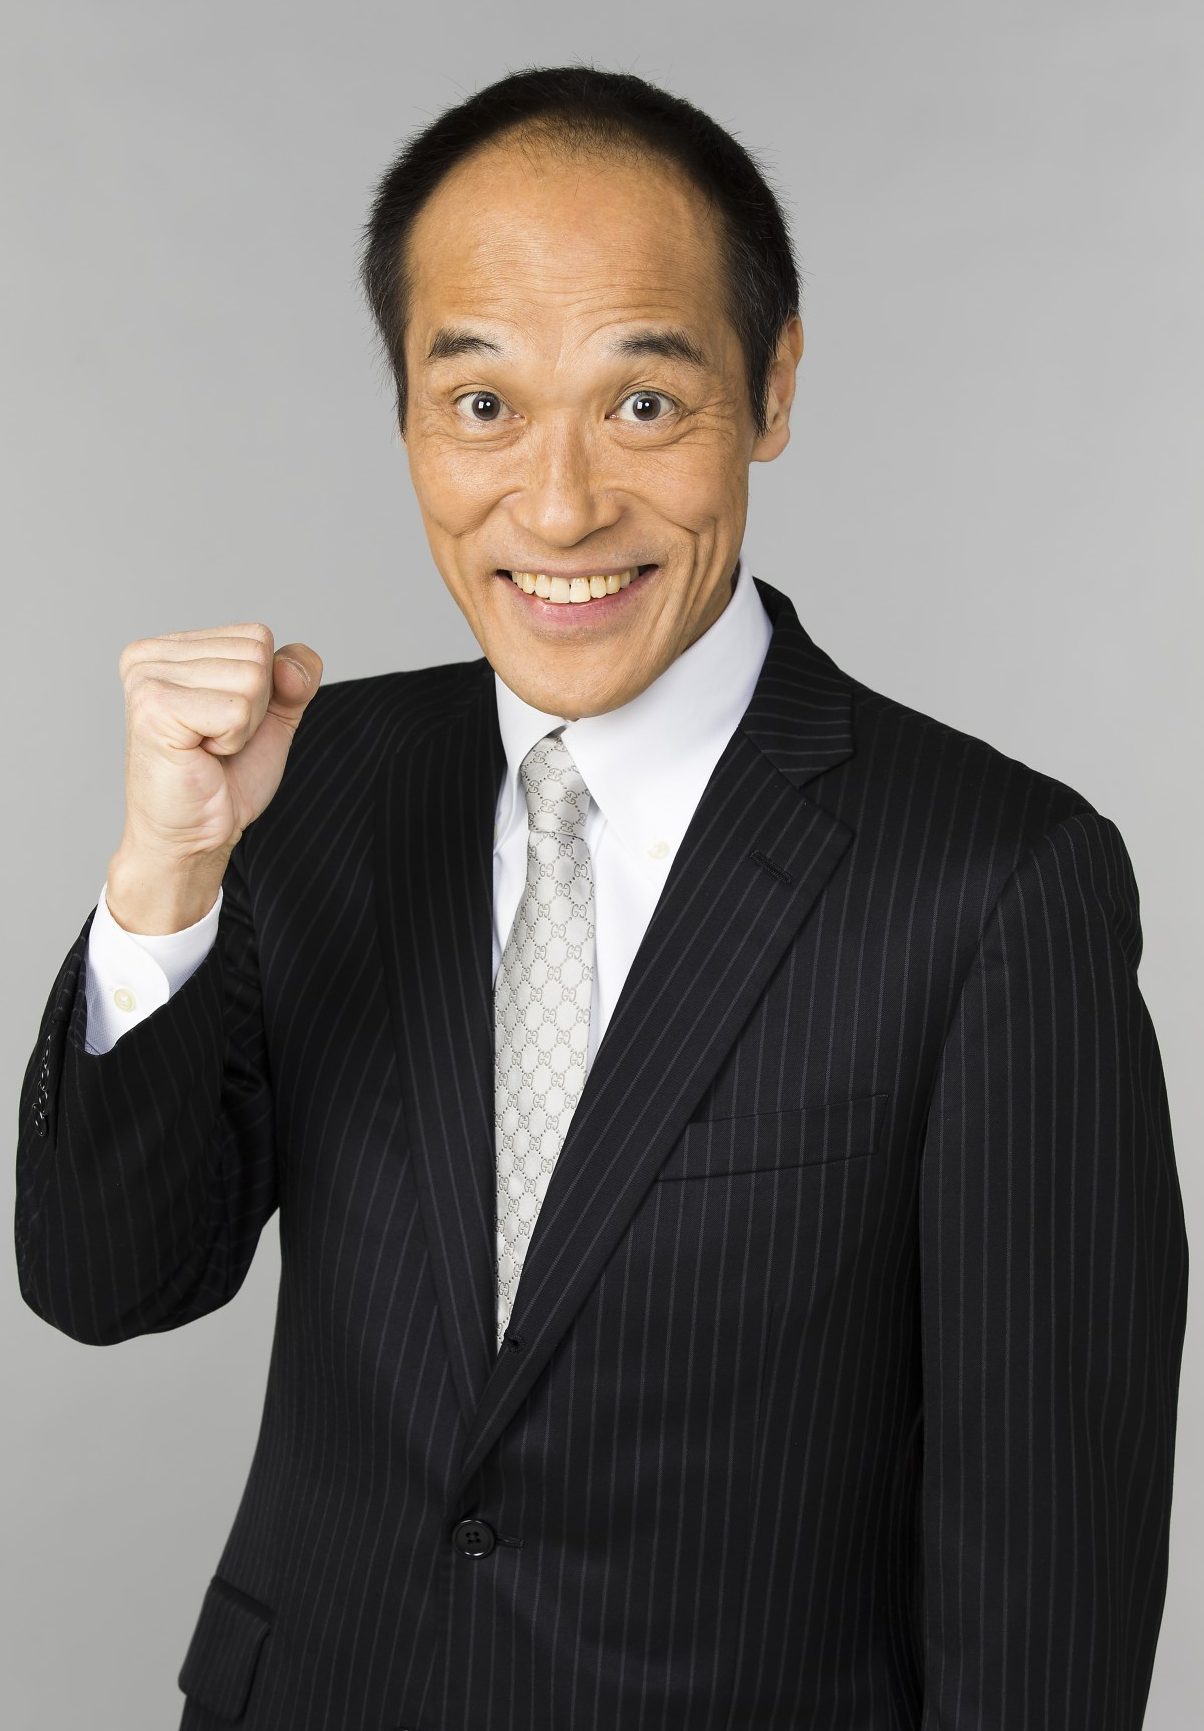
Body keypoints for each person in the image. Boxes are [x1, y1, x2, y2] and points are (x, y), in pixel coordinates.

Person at [15, 63, 1188, 1731]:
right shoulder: (313, 784)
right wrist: (166, 875)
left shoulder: (995, 882)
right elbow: (104, 1283)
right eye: (482, 404)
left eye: (643, 403)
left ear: (772, 386)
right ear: (408, 415)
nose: (558, 507)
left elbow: (1045, 1589)